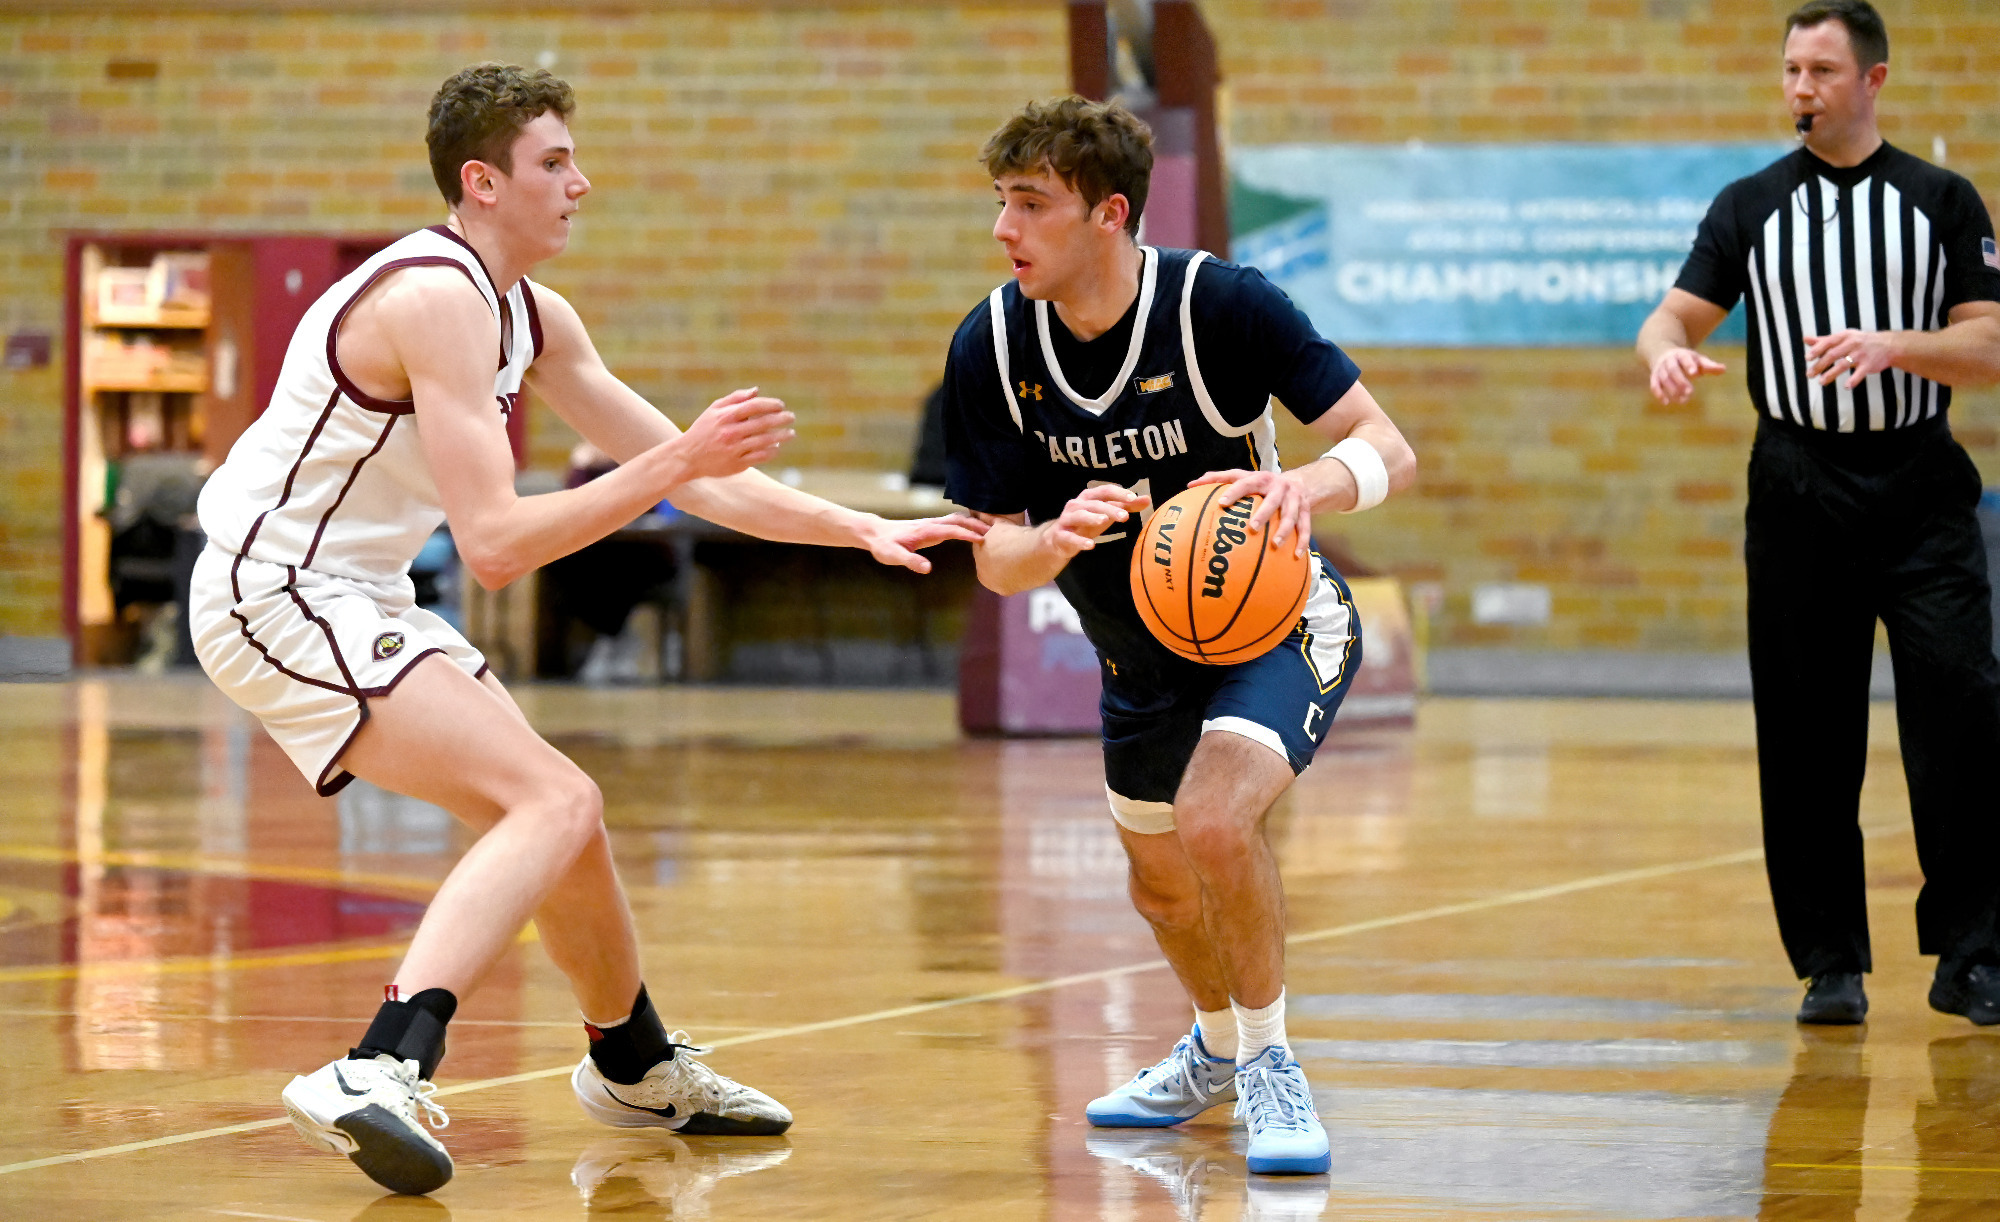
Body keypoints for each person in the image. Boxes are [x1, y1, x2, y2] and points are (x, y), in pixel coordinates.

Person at [187, 62, 983, 1196]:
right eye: (553, 164)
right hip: (275, 589)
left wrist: (856, 527)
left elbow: (700, 484)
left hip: (353, 593)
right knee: (548, 799)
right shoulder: (430, 295)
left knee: (571, 821)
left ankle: (633, 1063)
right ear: (482, 182)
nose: (580, 184)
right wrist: (671, 463)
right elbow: (500, 544)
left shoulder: (531, 313)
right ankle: (376, 1065)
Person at [940, 96, 1415, 1175]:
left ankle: (1269, 1065)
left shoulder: (1223, 306)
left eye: (1029, 205)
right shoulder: (991, 345)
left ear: (1107, 214)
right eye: (999, 204)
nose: (1003, 230)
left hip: (1275, 625)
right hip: (1136, 657)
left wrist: (1303, 482)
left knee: (1212, 820)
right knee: (1157, 887)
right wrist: (1051, 536)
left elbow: (1388, 446)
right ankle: (1211, 1044)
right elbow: (995, 561)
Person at [1635, 1, 2000, 1026]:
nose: (1800, 88)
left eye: (1821, 71)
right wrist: (1661, 349)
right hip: (1796, 484)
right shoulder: (1748, 205)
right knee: (1803, 726)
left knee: (1960, 708)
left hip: (1918, 485)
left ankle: (1971, 954)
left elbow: (1989, 346)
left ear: (1871, 81)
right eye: (1790, 69)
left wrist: (1896, 346)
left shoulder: (1939, 200)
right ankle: (1826, 959)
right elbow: (1670, 314)